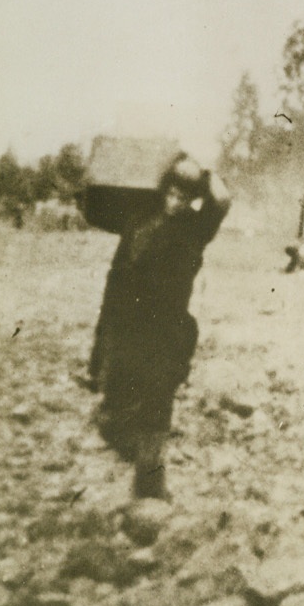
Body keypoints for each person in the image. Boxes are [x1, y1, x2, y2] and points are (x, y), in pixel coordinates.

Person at [89, 153, 230, 499]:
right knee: (114, 409)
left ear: (193, 199)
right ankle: (132, 448)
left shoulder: (196, 228)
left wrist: (201, 170)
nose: (177, 202)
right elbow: (93, 207)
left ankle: (149, 486)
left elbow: (222, 199)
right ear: (163, 189)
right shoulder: (138, 219)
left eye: (185, 197)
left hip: (166, 330)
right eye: (172, 193)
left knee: (157, 405)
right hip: (126, 324)